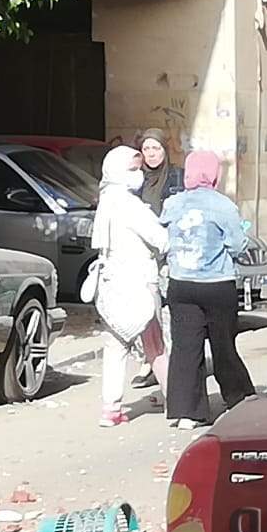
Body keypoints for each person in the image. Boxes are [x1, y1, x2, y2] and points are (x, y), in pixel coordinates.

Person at [160, 151, 256, 430]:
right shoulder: (223, 205)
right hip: (217, 284)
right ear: (214, 174)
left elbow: (164, 238)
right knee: (223, 344)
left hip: (181, 284)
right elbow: (237, 245)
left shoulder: (172, 204)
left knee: (185, 348)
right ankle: (238, 397)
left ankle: (187, 412)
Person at [91, 146, 170, 428]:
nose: (139, 175)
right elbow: (161, 239)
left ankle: (111, 409)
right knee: (155, 344)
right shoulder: (130, 205)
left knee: (115, 345)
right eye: (134, 169)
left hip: (111, 285)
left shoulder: (105, 202)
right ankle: (175, 399)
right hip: (139, 283)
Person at [131, 128, 185, 391]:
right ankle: (148, 360)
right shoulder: (135, 180)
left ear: (165, 150)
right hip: (143, 253)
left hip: (169, 252)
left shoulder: (176, 177)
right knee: (146, 308)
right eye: (147, 149)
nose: (151, 154)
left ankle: (169, 361)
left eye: (156, 149)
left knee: (167, 309)